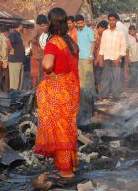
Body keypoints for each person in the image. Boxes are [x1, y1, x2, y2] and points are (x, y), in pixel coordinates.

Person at [34, 7, 80, 181]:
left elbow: (47, 65)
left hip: (59, 91)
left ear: (51, 23)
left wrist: (51, 74)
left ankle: (65, 170)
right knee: (67, 128)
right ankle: (69, 166)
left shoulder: (53, 43)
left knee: (60, 130)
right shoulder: (71, 43)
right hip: (71, 91)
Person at [98, 13, 126, 101]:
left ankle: (116, 96)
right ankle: (104, 95)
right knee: (105, 78)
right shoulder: (105, 33)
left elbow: (123, 47)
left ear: (116, 21)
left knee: (116, 78)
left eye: (113, 20)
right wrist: (101, 59)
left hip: (116, 59)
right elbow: (102, 46)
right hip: (107, 58)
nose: (111, 22)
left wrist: (119, 58)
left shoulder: (120, 33)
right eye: (110, 20)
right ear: (108, 21)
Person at [76, 14, 95, 125]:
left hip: (87, 59)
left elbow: (93, 43)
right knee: (81, 84)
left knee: (88, 83)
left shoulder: (89, 31)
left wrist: (90, 55)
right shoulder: (77, 32)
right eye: (78, 23)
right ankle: (83, 108)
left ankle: (90, 109)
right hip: (79, 59)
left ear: (84, 21)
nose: (79, 24)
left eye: (81, 22)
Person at [31, 14, 49, 88]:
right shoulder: (38, 28)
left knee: (44, 73)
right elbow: (32, 39)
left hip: (45, 54)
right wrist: (39, 46)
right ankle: (40, 89)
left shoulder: (44, 28)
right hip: (41, 54)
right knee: (42, 73)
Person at [8, 22, 26, 90]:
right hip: (14, 61)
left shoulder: (18, 34)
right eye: (22, 25)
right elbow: (7, 40)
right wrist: (11, 49)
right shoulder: (13, 33)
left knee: (19, 82)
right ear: (19, 26)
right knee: (14, 82)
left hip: (19, 61)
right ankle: (13, 98)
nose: (23, 27)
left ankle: (17, 97)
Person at [93, 20, 108, 93]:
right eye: (103, 29)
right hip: (97, 58)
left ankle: (100, 91)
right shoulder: (96, 35)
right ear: (100, 28)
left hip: (100, 58)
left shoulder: (102, 35)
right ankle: (99, 92)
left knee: (99, 75)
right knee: (98, 75)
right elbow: (98, 48)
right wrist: (97, 59)